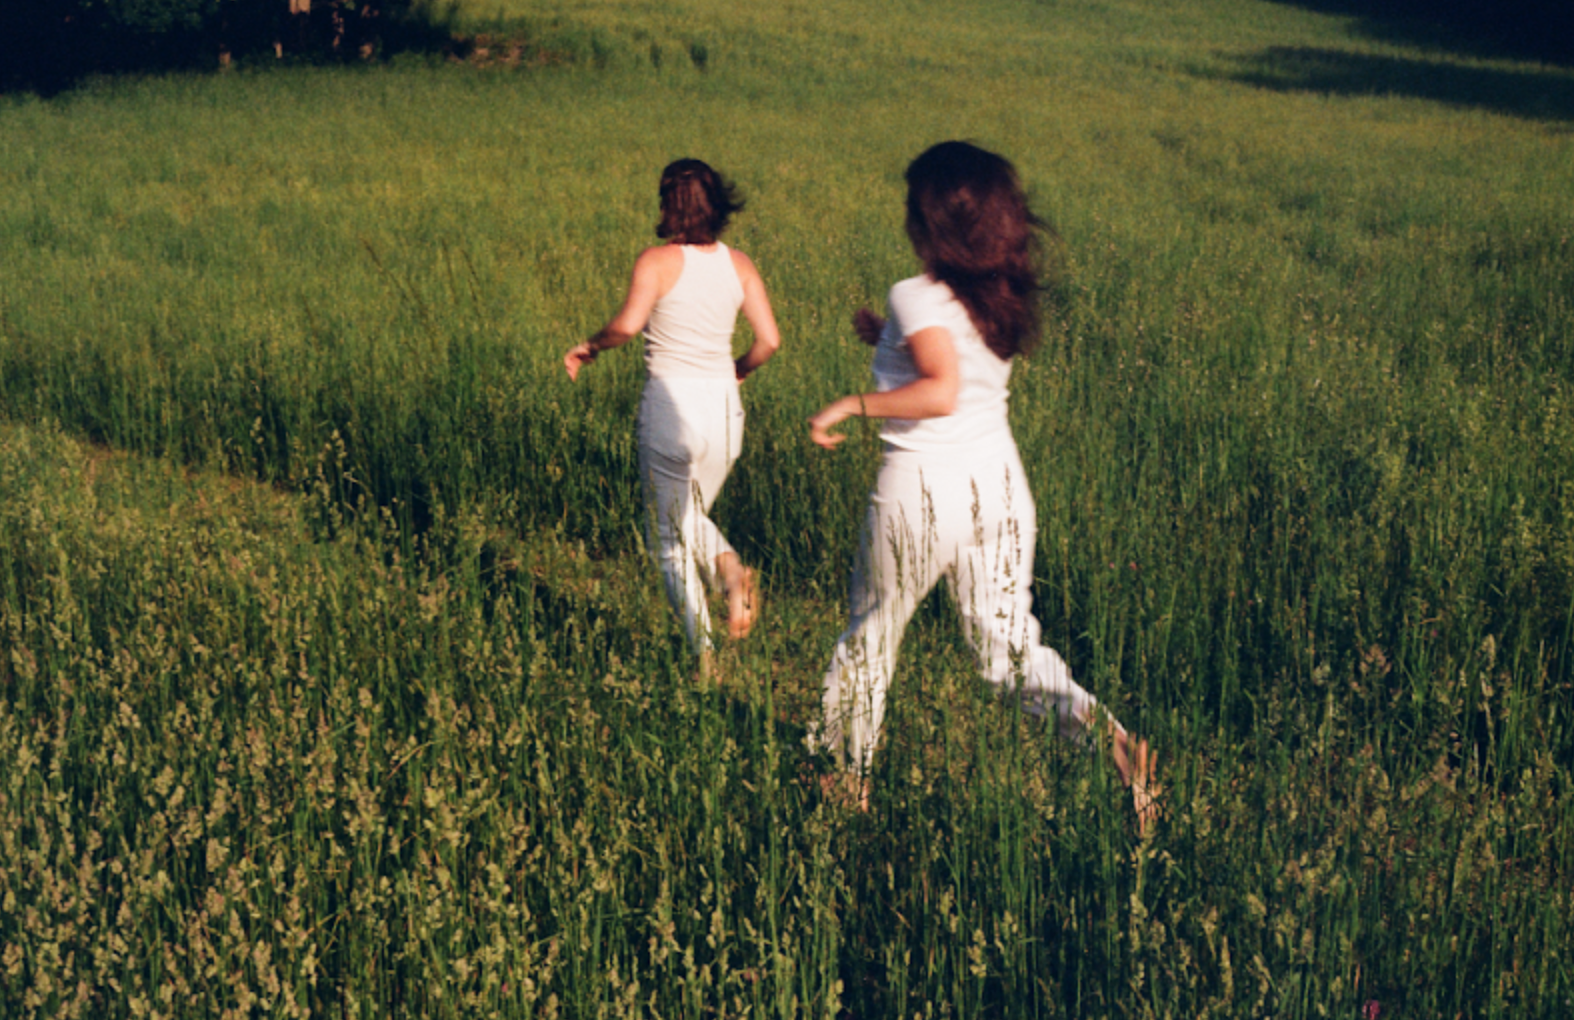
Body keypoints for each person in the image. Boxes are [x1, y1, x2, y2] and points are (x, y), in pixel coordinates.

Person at [808, 141, 1156, 828]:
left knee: (871, 637)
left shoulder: (916, 292)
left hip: (923, 492)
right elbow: (952, 360)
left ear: (932, 221)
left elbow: (941, 389)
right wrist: (884, 339)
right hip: (998, 485)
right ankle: (1105, 738)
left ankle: (845, 779)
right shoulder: (1000, 295)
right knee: (1007, 645)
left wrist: (853, 402)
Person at [565, 159, 780, 670]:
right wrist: (739, 370)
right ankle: (728, 575)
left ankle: (706, 650)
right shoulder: (740, 264)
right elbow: (770, 341)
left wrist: (590, 346)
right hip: (726, 412)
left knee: (666, 538)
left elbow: (628, 324)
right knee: (689, 517)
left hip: (671, 407)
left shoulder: (656, 261)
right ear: (717, 203)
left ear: (668, 203)